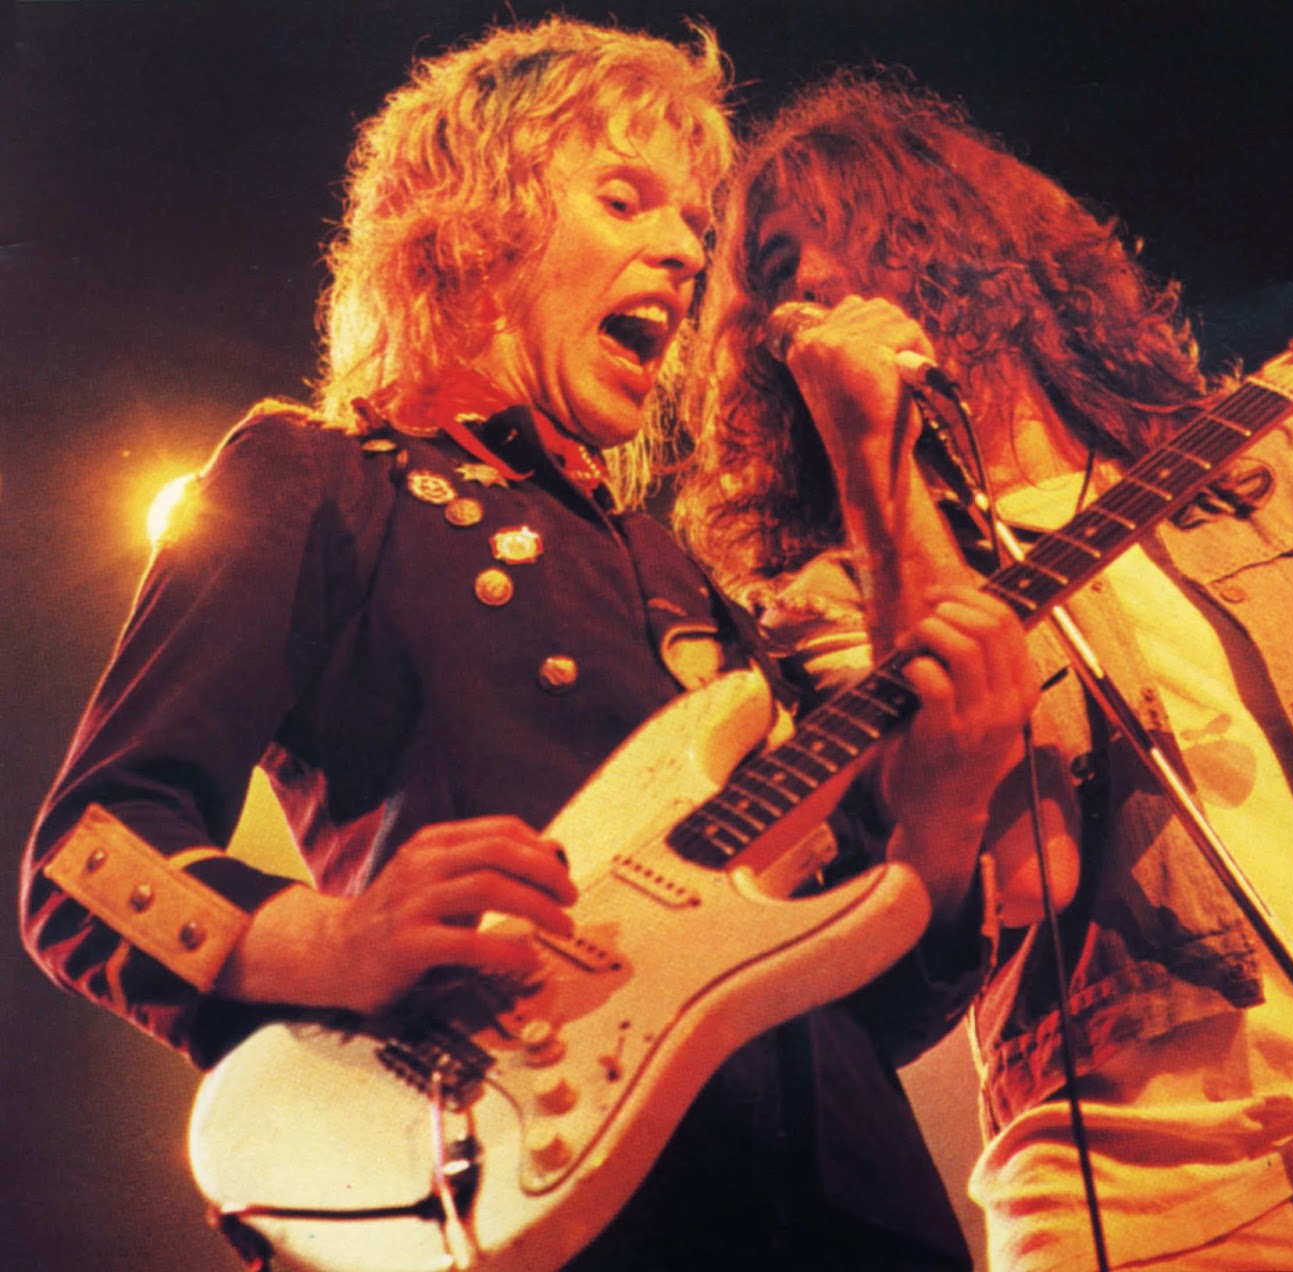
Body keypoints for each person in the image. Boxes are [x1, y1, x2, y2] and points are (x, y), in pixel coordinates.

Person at [20, 26, 1040, 1270]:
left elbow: (860, 1014)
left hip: (859, 1218)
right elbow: (87, 856)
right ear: (469, 225)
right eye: (624, 199)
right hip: (542, 1201)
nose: (685, 252)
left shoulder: (690, 586)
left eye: (694, 224)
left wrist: (942, 814)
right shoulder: (323, 480)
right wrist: (333, 943)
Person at [675, 73, 1293, 1271]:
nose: (814, 289)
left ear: (963, 239)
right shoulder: (831, 605)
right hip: (1115, 1200)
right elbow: (1018, 866)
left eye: (849, 235)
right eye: (779, 271)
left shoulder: (1279, 470)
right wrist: (870, 466)